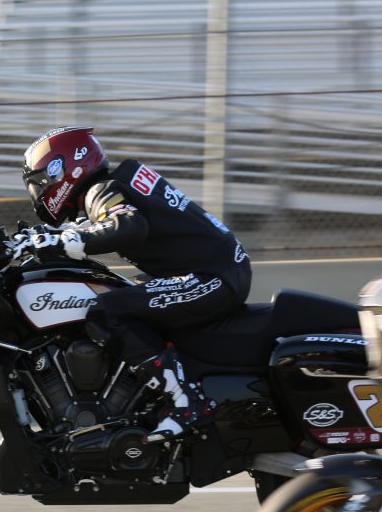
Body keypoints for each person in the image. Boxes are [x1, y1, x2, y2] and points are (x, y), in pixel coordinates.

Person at [17, 126, 252, 441]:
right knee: (115, 292)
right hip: (218, 272)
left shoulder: (100, 190)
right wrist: (47, 239)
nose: (40, 191)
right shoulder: (113, 186)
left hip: (211, 279)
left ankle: (185, 401)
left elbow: (127, 225)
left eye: (43, 181)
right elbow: (100, 224)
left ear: (65, 168)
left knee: (108, 311)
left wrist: (56, 240)